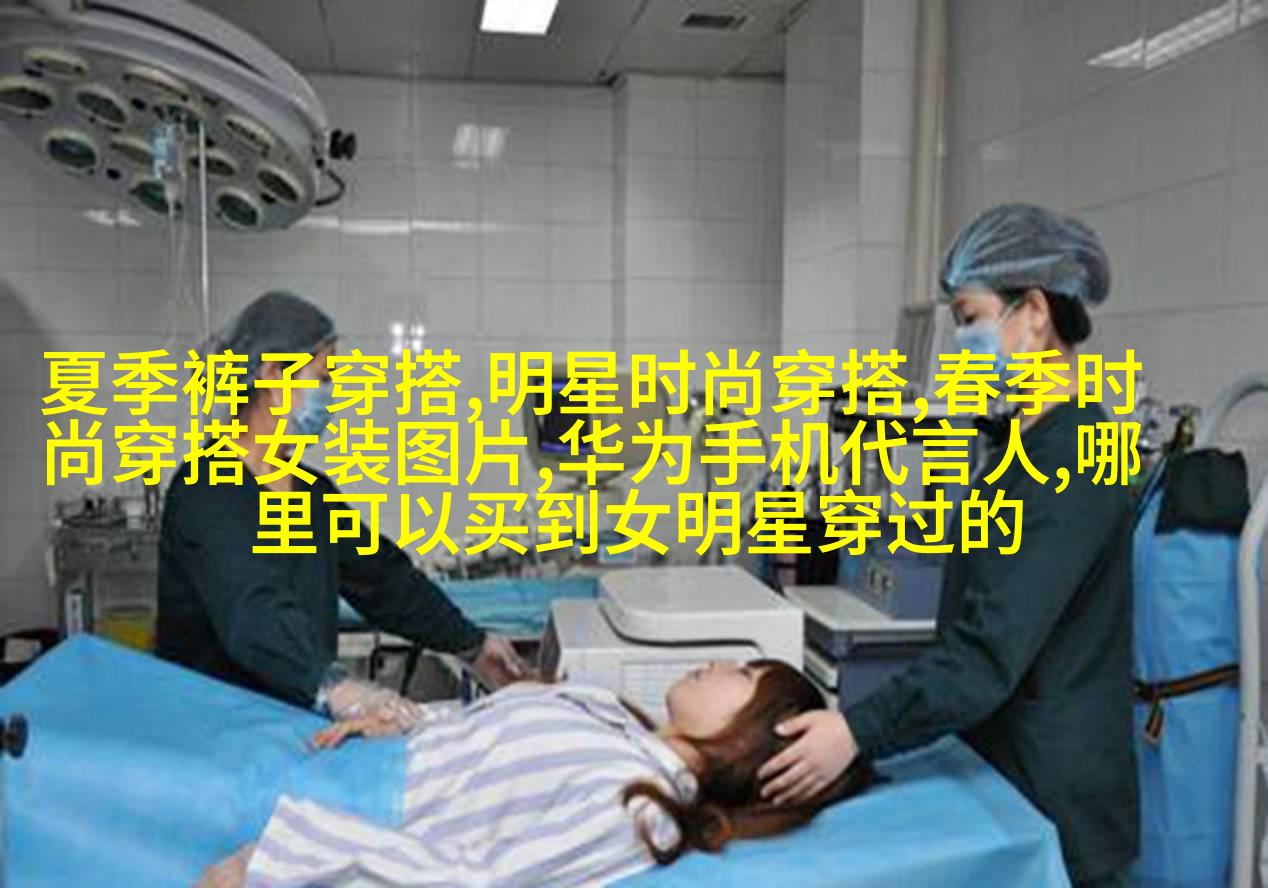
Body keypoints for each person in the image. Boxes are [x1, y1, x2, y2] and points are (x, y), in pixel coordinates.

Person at [759, 204, 1139, 888]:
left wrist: (855, 732)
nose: (961, 342)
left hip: (1056, 808)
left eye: (970, 318)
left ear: (1035, 313)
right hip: (1006, 776)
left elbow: (986, 654)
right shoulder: (1019, 449)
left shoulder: (1076, 459)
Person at [156, 291, 525, 724]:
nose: (329, 393)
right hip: (216, 732)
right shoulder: (206, 491)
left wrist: (472, 644)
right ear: (273, 375)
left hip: (292, 729)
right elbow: (254, 610)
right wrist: (334, 687)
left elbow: (384, 581)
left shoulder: (311, 493)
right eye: (322, 376)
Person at [196, 659, 880, 887]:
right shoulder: (613, 716)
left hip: (318, 805)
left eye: (747, 675)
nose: (721, 664)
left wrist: (288, 857)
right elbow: (480, 735)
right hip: (330, 754)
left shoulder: (639, 807)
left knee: (137, 770)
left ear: (757, 741)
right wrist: (403, 717)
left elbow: (483, 882)